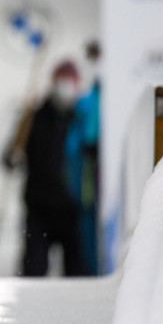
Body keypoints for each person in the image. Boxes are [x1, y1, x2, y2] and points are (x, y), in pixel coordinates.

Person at [19, 60, 86, 276]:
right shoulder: (34, 116)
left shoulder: (81, 118)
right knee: (34, 270)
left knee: (76, 273)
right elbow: (12, 155)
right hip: (39, 207)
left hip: (72, 207)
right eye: (61, 80)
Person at [65, 41, 101, 275]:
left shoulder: (114, 97)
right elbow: (72, 142)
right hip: (85, 176)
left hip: (103, 178)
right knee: (86, 229)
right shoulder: (85, 101)